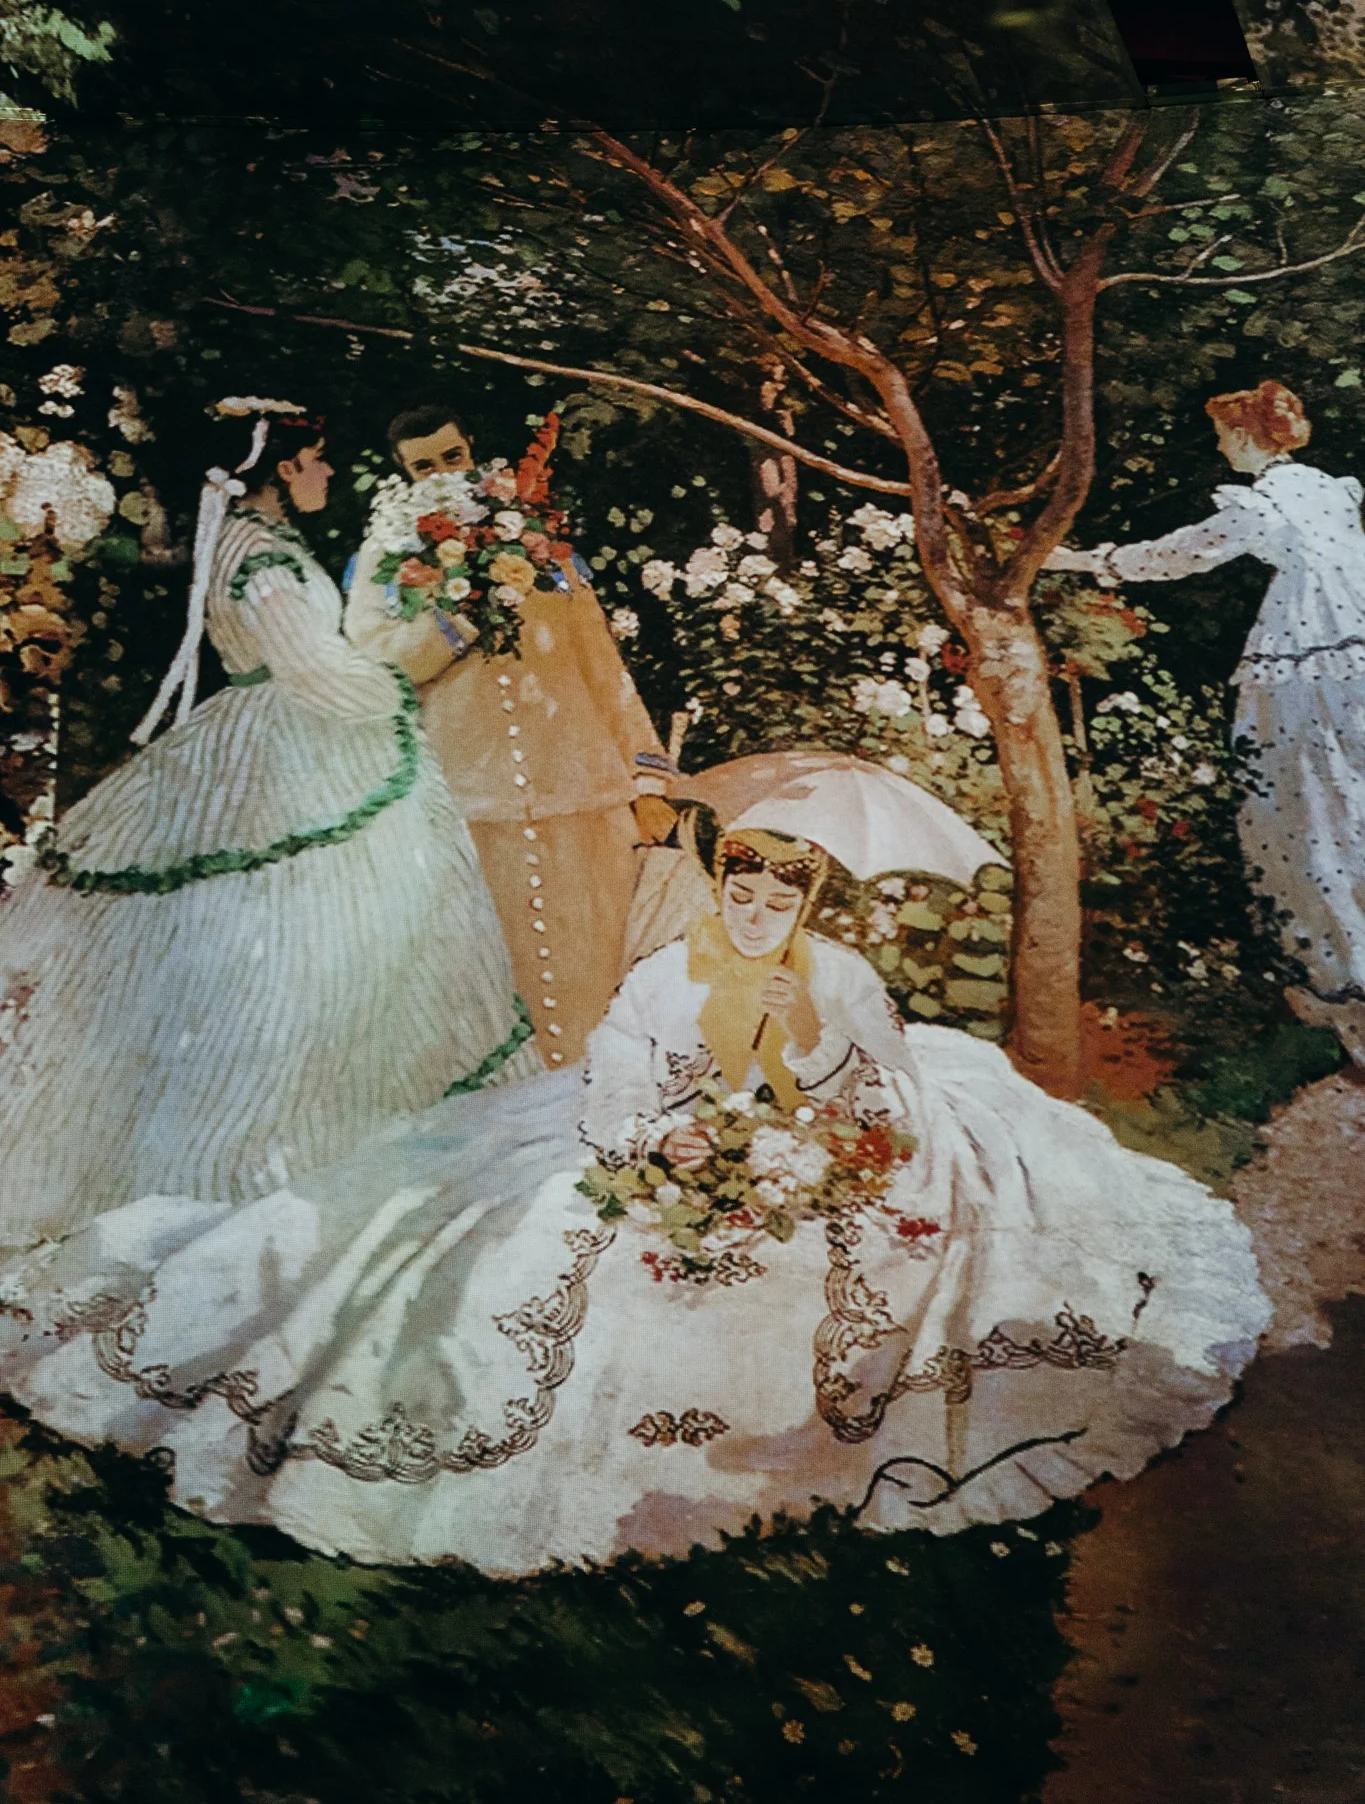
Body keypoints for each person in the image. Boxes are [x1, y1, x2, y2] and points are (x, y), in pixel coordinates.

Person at [0, 825, 1268, 1577]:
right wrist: (676, 1137)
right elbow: (616, 1077)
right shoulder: (672, 971)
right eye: (740, 894)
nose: (756, 915)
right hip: (686, 1133)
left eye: (779, 901)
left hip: (811, 1135)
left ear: (809, 906)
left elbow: (886, 1091)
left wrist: (810, 1045)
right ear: (721, 890)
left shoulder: (835, 974)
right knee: (533, 1232)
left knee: (853, 1247)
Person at [0, 403, 537, 1251]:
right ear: (283, 469)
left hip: (273, 735)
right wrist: (423, 659)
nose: (328, 472)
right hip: (286, 748)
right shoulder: (260, 556)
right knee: (297, 948)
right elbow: (316, 672)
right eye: (317, 459)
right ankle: (264, 1164)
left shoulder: (252, 539)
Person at [1047, 379, 1365, 1062]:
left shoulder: (1262, 502)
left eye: (1224, 437)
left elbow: (1181, 553)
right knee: (1349, 806)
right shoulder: (1328, 489)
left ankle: (1347, 987)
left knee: (1308, 813)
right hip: (1355, 647)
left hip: (1309, 659)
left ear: (1245, 437)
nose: (1220, 449)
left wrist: (1082, 560)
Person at [345, 403, 669, 1067]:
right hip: (470, 793)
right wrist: (454, 620)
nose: (442, 473)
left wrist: (648, 780)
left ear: (472, 449)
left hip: (576, 784)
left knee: (594, 964)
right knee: (495, 979)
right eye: (424, 467)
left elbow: (600, 661)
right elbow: (374, 669)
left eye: (452, 456)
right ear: (404, 474)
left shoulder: (536, 534)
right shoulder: (385, 555)